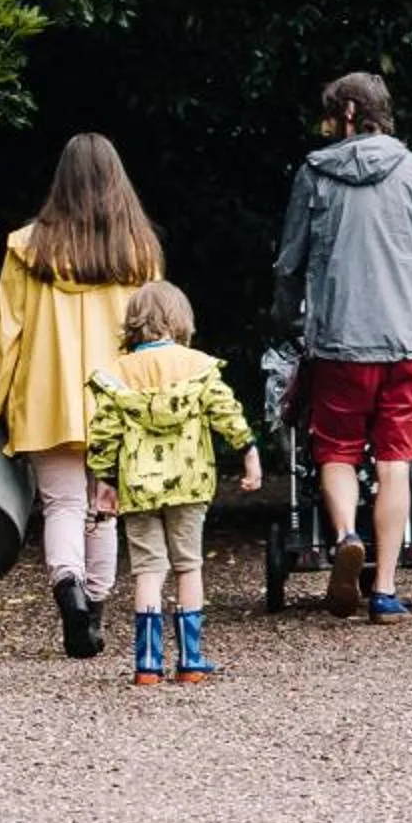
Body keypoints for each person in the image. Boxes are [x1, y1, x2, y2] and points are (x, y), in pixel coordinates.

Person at [0, 133, 162, 659]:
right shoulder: (140, 252)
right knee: (105, 505)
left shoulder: (28, 248)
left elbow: (6, 337)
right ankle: (95, 608)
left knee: (62, 504)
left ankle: (69, 589)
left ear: (61, 181)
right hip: (119, 398)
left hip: (49, 398)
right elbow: (153, 335)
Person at [270, 70, 412, 622]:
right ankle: (383, 588)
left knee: (335, 452)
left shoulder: (314, 176)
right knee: (397, 461)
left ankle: (346, 536)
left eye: (330, 116)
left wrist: (288, 320)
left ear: (349, 114)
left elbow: (290, 262)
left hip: (338, 344)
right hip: (408, 345)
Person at [86, 281, 262, 685]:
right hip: (189, 483)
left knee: (148, 570)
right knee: (188, 566)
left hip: (138, 487)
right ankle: (190, 660)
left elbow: (104, 433)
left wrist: (105, 480)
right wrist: (249, 451)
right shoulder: (198, 367)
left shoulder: (119, 374)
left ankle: (148, 663)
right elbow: (226, 412)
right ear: (180, 321)